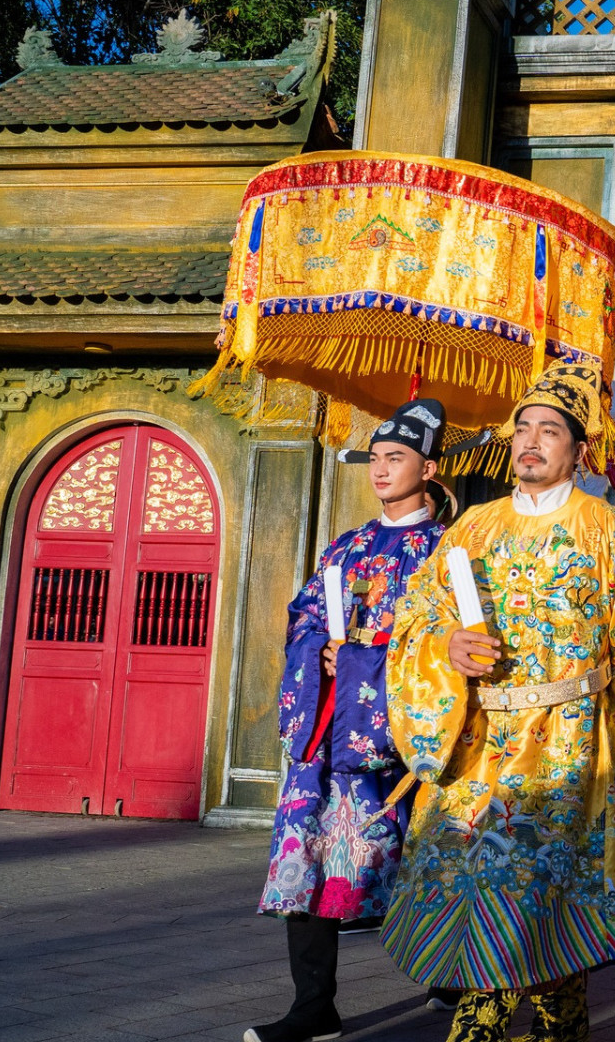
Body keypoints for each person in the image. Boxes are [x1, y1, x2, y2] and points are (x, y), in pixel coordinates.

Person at [382, 365, 615, 1042]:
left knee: (535, 901)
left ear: (578, 451)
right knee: (492, 903)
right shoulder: (472, 528)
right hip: (474, 747)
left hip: (564, 750)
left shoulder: (610, 533)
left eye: (549, 430)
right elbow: (417, 619)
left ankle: (528, 1027)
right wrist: (446, 649)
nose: (531, 440)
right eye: (523, 427)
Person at [248, 399, 452, 1042]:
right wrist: (323, 649)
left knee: (417, 865)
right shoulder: (348, 545)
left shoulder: (447, 551)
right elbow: (303, 617)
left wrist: (364, 657)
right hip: (325, 734)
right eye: (376, 459)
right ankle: (314, 1007)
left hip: (395, 744)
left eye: (396, 458)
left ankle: (456, 976)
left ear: (430, 466)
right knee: (304, 860)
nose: (381, 470)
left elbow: (446, 643)